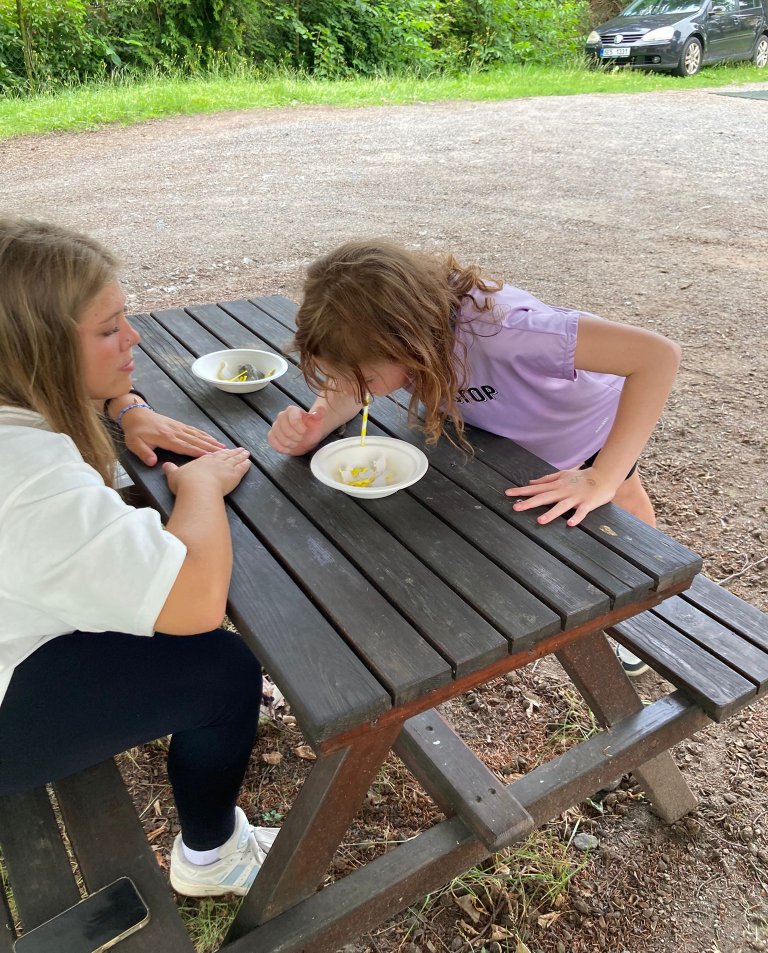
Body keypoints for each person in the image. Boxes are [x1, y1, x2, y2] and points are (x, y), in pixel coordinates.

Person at [0, 217, 277, 896]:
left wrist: (125, 407)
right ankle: (211, 858)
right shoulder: (28, 477)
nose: (135, 338)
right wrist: (201, 489)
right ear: (37, 349)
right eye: (109, 329)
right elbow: (195, 602)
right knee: (222, 671)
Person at [268, 240, 683, 678]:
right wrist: (317, 423)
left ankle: (647, 612)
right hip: (501, 434)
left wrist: (603, 477)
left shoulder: (505, 330)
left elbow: (657, 356)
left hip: (584, 430)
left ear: (409, 342)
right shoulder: (398, 334)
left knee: (622, 508)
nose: (352, 388)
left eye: (367, 378)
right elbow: (351, 383)